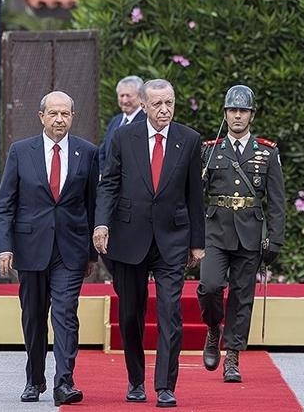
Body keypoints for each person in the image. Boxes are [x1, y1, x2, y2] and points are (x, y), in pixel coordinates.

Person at [93, 78, 205, 408]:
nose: (164, 109)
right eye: (157, 104)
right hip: (130, 237)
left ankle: (166, 386)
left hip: (173, 238)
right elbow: (109, 184)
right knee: (130, 314)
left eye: (169, 103)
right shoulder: (123, 137)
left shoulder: (189, 139)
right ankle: (135, 380)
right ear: (144, 106)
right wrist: (102, 223)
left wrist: (197, 242)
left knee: (170, 313)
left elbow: (195, 195)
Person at [0, 91, 99, 406]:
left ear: (72, 117)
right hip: (30, 248)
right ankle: (34, 379)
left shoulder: (87, 152)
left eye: (65, 114)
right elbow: (5, 204)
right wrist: (4, 247)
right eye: (53, 113)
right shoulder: (20, 151)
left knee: (65, 314)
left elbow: (92, 205)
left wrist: (91, 253)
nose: (59, 119)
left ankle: (64, 382)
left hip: (70, 250)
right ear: (41, 116)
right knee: (34, 316)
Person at [198, 84, 286, 382]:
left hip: (249, 231)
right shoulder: (210, 150)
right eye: (233, 110)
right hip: (215, 230)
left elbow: (277, 201)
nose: (238, 116)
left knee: (242, 296)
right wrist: (191, 237)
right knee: (209, 286)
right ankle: (213, 328)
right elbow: (195, 196)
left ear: (252, 115)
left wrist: (275, 239)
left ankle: (233, 356)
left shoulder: (266, 152)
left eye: (243, 111)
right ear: (225, 114)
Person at [98, 75, 146, 173]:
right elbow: (103, 151)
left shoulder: (146, 121)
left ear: (140, 96)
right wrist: (103, 174)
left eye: (128, 96)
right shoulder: (115, 120)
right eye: (121, 96)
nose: (124, 100)